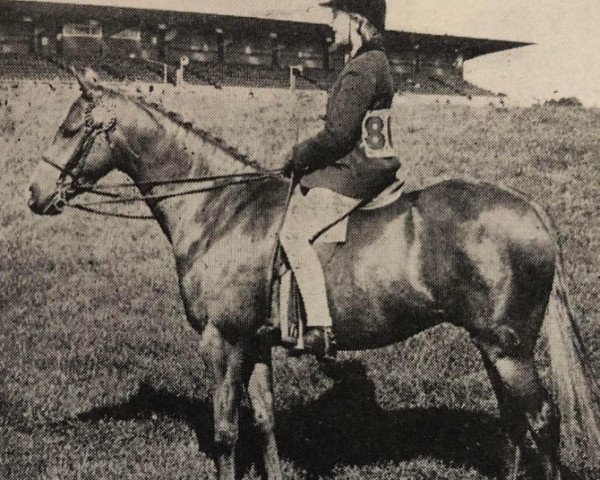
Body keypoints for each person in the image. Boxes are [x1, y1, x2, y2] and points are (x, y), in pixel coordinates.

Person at [279, 0, 400, 358]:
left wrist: (295, 157)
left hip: (355, 174)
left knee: (292, 233)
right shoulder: (376, 64)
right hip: (373, 169)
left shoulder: (362, 69)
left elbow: (338, 137)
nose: (330, 24)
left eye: (336, 16)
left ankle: (320, 326)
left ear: (357, 21)